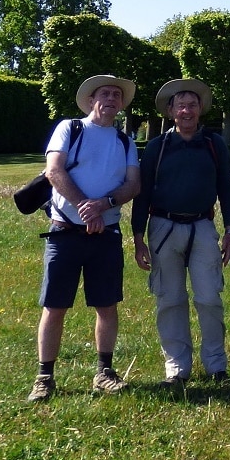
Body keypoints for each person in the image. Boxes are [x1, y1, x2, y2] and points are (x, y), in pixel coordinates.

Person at [27, 75, 141, 402]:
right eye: (105, 93)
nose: (111, 98)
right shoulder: (70, 128)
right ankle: (44, 376)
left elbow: (133, 184)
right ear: (92, 100)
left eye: (117, 95)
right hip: (65, 232)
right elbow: (54, 171)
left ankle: (104, 372)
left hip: (106, 236)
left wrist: (104, 205)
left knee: (106, 306)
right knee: (55, 306)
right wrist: (83, 207)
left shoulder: (125, 142)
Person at [132, 79, 230, 386]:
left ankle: (216, 365)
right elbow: (142, 194)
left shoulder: (213, 144)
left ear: (200, 109)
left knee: (209, 298)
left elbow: (227, 189)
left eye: (193, 105)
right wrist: (138, 236)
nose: (187, 110)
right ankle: (176, 367)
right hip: (163, 228)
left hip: (203, 227)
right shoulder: (157, 147)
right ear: (170, 111)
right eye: (181, 105)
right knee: (170, 299)